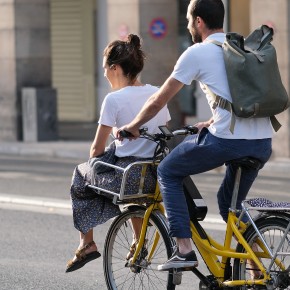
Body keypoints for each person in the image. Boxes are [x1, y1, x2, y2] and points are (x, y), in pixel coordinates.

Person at [118, 0, 273, 271]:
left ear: (198, 21)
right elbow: (242, 98)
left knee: (167, 171)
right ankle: (257, 265)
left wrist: (133, 125)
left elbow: (158, 100)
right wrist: (214, 120)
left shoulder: (197, 53)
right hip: (261, 142)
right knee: (229, 205)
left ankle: (184, 249)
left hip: (228, 141)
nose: (189, 25)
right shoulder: (241, 47)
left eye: (189, 20)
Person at [66, 34, 171, 273]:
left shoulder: (113, 100)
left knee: (82, 175)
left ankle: (86, 243)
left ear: (114, 68)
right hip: (155, 173)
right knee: (135, 195)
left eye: (105, 68)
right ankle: (137, 241)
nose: (104, 74)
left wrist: (94, 163)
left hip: (128, 176)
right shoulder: (157, 94)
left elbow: (97, 149)